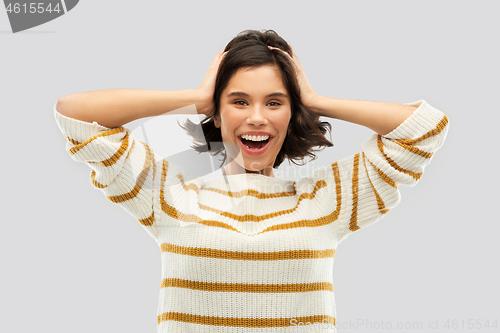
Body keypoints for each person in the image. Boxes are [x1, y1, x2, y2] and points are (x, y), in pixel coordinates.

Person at [54, 29, 450, 333]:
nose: (257, 117)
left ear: (292, 115)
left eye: (274, 102)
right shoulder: (171, 197)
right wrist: (194, 96)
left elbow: (424, 129)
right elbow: (75, 116)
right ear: (216, 113)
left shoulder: (324, 201)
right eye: (239, 101)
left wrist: (313, 99)